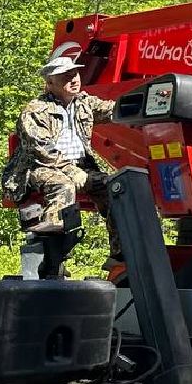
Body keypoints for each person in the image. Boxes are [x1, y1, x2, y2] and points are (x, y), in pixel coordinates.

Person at [11, 54, 118, 277]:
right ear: (50, 83)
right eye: (65, 76)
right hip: (38, 168)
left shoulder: (84, 102)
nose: (74, 79)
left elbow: (113, 109)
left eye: (75, 74)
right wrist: (70, 170)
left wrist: (146, 105)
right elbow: (40, 150)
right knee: (63, 185)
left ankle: (120, 254)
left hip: (79, 167)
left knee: (116, 187)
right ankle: (54, 257)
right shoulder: (35, 110)